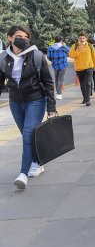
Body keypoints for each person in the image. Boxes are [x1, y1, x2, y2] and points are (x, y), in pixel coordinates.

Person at [0, 26, 57, 189]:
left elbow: (48, 82)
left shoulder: (36, 55)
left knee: (28, 134)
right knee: (28, 135)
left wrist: (51, 106)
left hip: (35, 100)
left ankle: (23, 174)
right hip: (15, 102)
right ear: (10, 38)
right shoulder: (3, 57)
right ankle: (37, 162)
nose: (22, 39)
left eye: (25, 37)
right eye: (18, 36)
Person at [69, 33, 95, 106]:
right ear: (78, 39)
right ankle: (84, 98)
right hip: (79, 68)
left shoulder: (90, 46)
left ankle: (88, 100)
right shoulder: (74, 46)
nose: (82, 39)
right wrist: (78, 50)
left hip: (88, 67)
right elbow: (71, 55)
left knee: (88, 83)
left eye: (83, 38)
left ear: (86, 39)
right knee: (82, 85)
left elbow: (94, 56)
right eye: (80, 38)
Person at [46, 35, 70, 100]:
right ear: (61, 40)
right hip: (63, 65)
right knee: (60, 79)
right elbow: (69, 51)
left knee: (56, 79)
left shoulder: (51, 47)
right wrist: (64, 45)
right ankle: (59, 93)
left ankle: (58, 93)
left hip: (55, 65)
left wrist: (53, 60)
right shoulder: (63, 47)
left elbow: (48, 57)